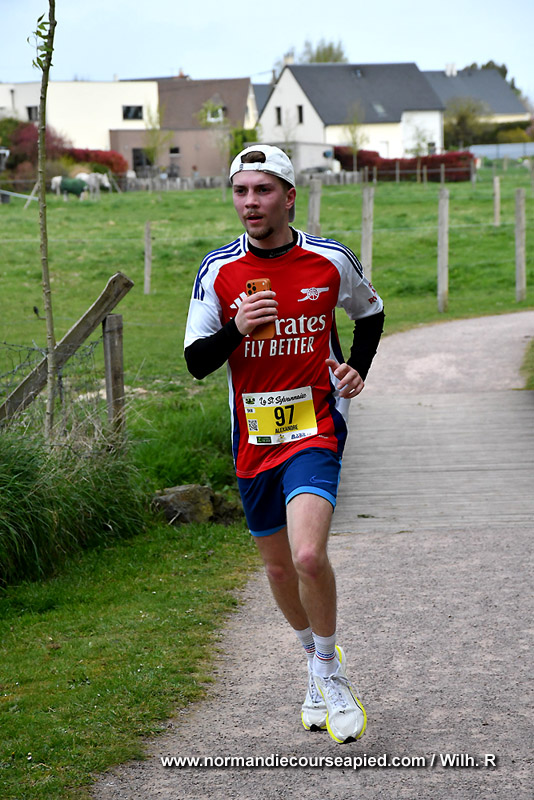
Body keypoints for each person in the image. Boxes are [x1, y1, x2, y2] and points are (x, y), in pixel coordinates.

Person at [184, 144, 384, 744]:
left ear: (289, 197)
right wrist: (235, 328)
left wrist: (356, 369)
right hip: (253, 438)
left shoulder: (329, 260)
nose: (251, 202)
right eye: (241, 191)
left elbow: (370, 312)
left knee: (307, 557)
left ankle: (328, 671)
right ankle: (316, 658)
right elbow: (196, 362)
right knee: (275, 567)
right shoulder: (218, 271)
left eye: (263, 190)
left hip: (315, 427)